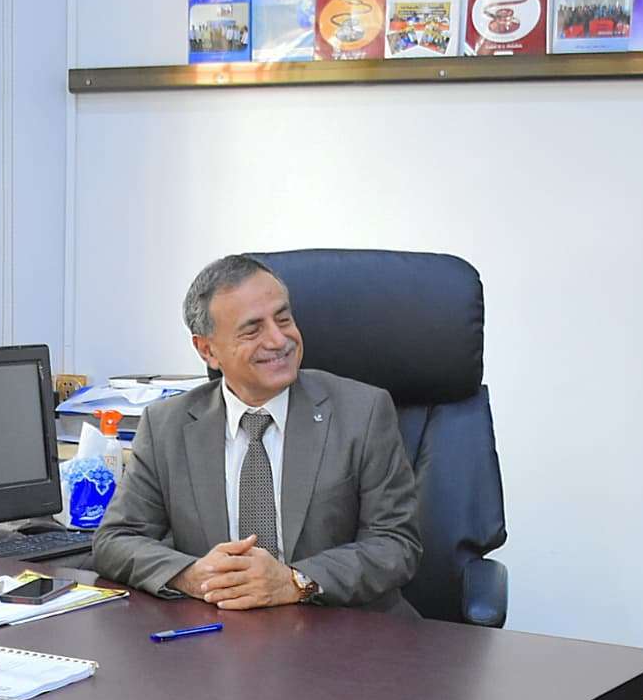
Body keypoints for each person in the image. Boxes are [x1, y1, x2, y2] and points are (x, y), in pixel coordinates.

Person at [91, 255, 423, 616]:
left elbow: (396, 544)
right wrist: (191, 575)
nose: (279, 340)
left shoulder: (363, 411)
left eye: (284, 319)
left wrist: (295, 581)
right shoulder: (165, 426)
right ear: (207, 350)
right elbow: (115, 541)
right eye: (252, 330)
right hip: (221, 632)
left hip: (341, 628)